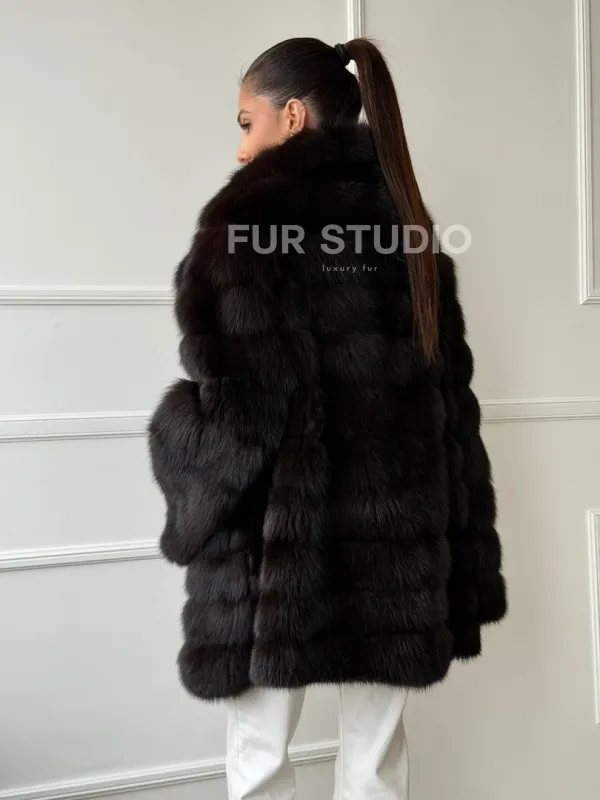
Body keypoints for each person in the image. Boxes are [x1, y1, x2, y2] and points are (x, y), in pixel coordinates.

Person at [148, 36, 508, 800]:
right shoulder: (407, 224)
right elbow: (452, 409)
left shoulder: (244, 225)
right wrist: (462, 545)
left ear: (292, 115)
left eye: (246, 122)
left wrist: (183, 469)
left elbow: (240, 410)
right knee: (374, 765)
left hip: (273, 543)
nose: (241, 149)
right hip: (397, 544)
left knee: (259, 759)